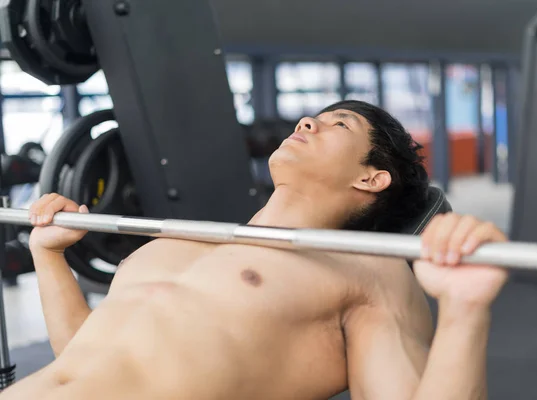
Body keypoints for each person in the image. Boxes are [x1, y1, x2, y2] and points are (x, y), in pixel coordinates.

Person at [0, 100, 509, 400]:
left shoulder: (367, 270)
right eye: (312, 116)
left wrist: (466, 312)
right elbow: (86, 356)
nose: (307, 122)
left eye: (339, 125)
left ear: (371, 177)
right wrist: (49, 256)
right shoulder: (179, 239)